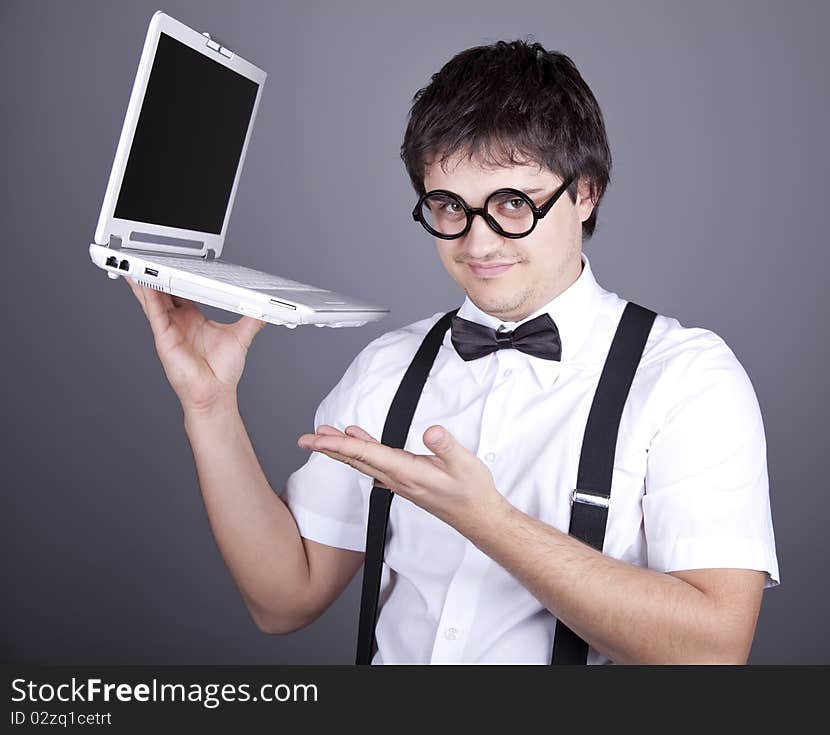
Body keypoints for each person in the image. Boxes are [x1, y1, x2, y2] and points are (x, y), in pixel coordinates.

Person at [125, 39, 780, 665]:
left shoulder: (686, 378)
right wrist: (209, 405)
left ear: (584, 193)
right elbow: (283, 599)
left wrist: (488, 521)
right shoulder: (390, 367)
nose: (477, 241)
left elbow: (712, 648)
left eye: (512, 203)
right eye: (448, 206)